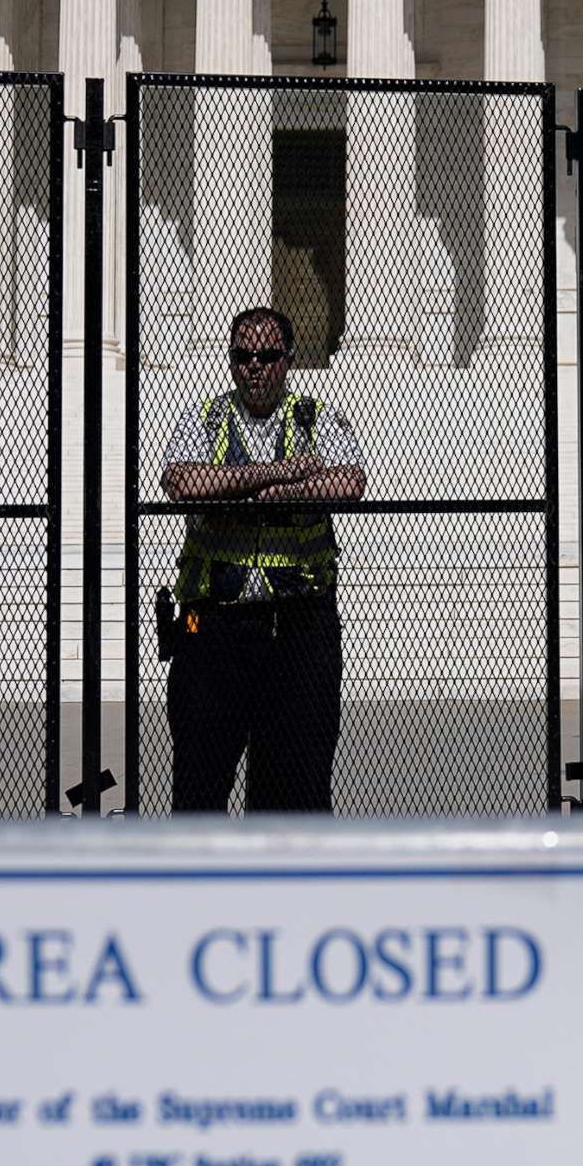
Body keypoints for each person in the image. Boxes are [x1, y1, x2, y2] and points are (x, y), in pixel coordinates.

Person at [158, 307, 366, 813]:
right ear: (231, 361)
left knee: (297, 788)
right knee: (199, 785)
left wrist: (244, 491)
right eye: (243, 356)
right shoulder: (204, 417)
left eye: (268, 355)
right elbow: (182, 482)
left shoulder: (315, 417)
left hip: (297, 625)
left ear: (289, 360)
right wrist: (278, 475)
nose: (255, 366)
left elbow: (350, 482)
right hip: (213, 628)